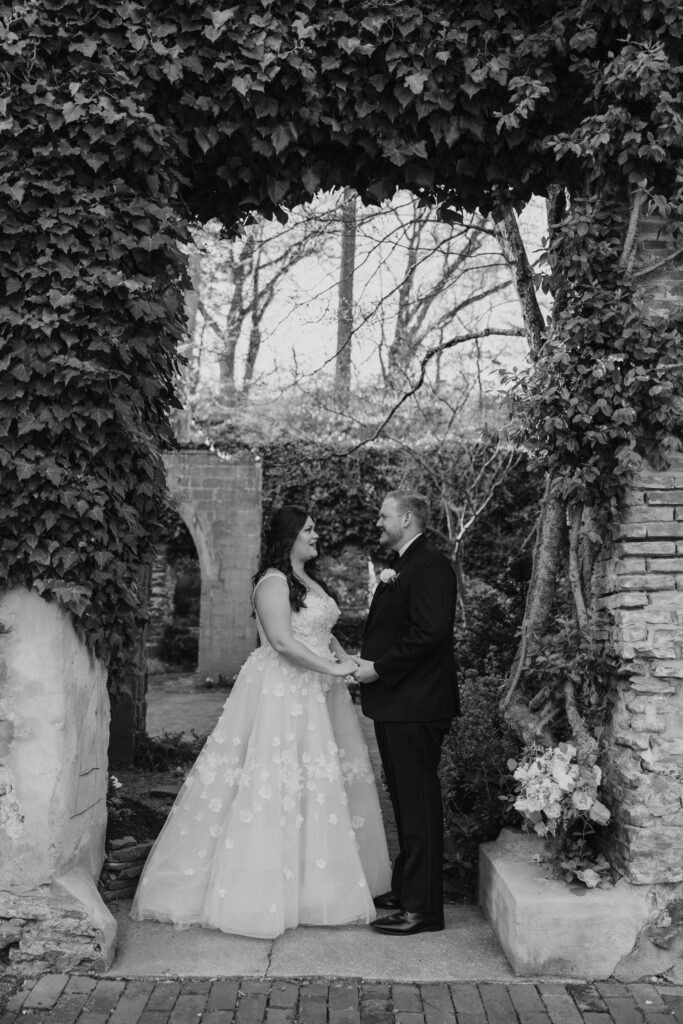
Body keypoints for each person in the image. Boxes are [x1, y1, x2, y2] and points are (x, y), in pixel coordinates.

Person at [131, 506, 391, 938]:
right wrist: (333, 670)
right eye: (309, 528)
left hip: (318, 691)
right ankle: (258, 891)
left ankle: (316, 887)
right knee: (274, 780)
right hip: (284, 691)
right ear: (289, 536)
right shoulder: (272, 582)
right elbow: (284, 642)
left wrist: (347, 660)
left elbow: (322, 630)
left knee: (318, 782)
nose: (316, 533)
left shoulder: (308, 581)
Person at [352, 490, 458, 936]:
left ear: (408, 518)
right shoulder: (407, 565)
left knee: (419, 805)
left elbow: (431, 633)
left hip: (417, 704)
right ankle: (406, 888)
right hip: (399, 705)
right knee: (403, 800)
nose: (378, 522)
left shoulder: (430, 565)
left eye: (384, 515)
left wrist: (379, 668)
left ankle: (424, 909)